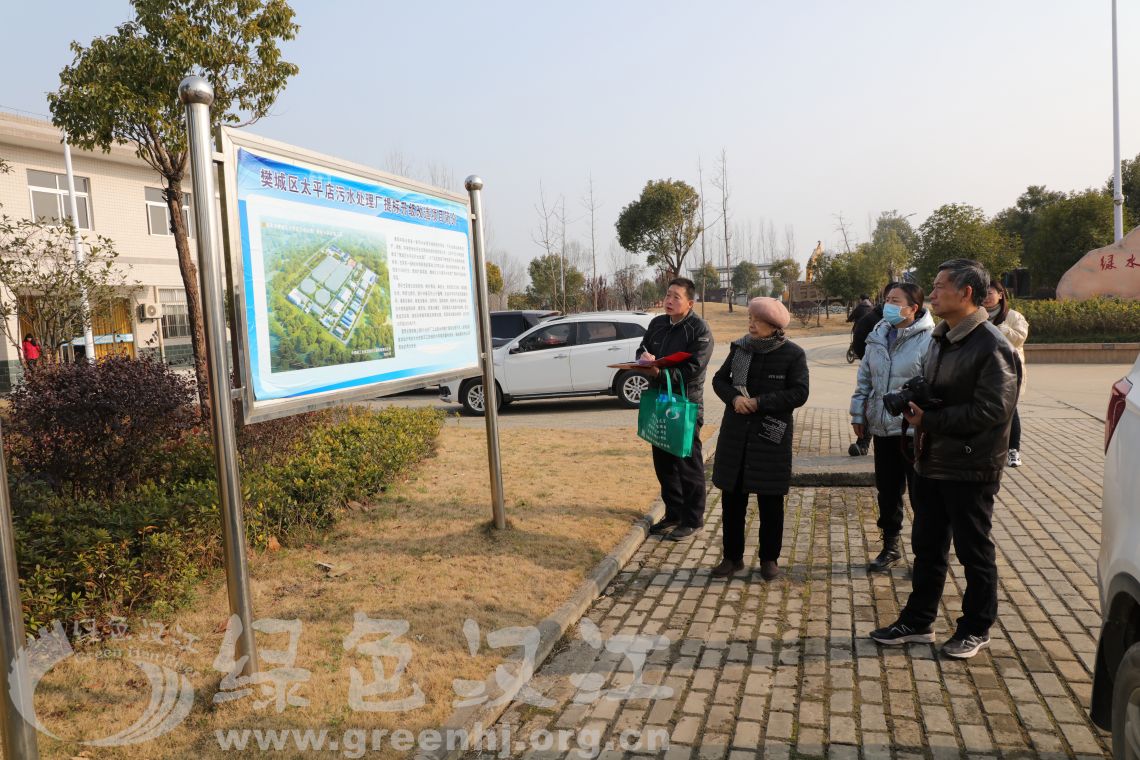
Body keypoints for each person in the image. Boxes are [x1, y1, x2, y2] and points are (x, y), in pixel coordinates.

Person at [870, 259, 1020, 659]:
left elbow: (993, 411)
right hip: (932, 458)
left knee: (974, 550)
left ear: (966, 293)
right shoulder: (942, 336)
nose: (931, 295)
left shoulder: (992, 345)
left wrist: (930, 419)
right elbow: (938, 387)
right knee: (928, 545)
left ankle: (976, 627)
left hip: (972, 465)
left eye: (938, 288)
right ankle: (919, 621)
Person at [709, 297, 809, 580]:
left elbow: (799, 392)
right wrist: (734, 399)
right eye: (749, 319)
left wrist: (760, 402)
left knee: (770, 502)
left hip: (771, 437)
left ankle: (769, 559)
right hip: (735, 436)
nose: (750, 324)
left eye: (756, 320)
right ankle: (732, 558)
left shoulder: (793, 354)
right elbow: (719, 380)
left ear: (774, 326)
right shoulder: (740, 348)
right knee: (732, 501)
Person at [849, 283, 934, 572]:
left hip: (915, 431)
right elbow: (864, 381)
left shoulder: (930, 340)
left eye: (895, 301)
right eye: (887, 299)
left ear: (913, 308)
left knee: (921, 495)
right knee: (887, 491)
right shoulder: (878, 335)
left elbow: (933, 385)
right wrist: (858, 414)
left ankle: (925, 556)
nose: (888, 305)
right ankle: (890, 546)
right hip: (883, 428)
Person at [639, 277, 715, 541]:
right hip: (659, 401)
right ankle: (673, 513)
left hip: (686, 404)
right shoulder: (657, 323)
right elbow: (644, 347)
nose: (669, 301)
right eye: (667, 295)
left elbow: (692, 370)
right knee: (663, 462)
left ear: (690, 303)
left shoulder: (699, 330)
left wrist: (660, 372)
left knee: (687, 463)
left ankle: (693, 519)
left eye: (676, 297)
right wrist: (644, 358)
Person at [847, 282, 900, 456]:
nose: (892, 304)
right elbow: (858, 342)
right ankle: (863, 443)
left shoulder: (920, 329)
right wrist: (871, 362)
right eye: (889, 299)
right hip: (876, 373)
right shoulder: (871, 319)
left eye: (897, 300)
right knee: (873, 403)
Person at [983, 280, 1029, 467]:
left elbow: (1019, 339)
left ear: (1001, 295)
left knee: (1010, 412)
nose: (986, 297)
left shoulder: (1013, 316)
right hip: (984, 372)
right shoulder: (976, 315)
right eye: (983, 293)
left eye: (991, 292)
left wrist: (1000, 329)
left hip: (1008, 372)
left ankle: (1013, 451)